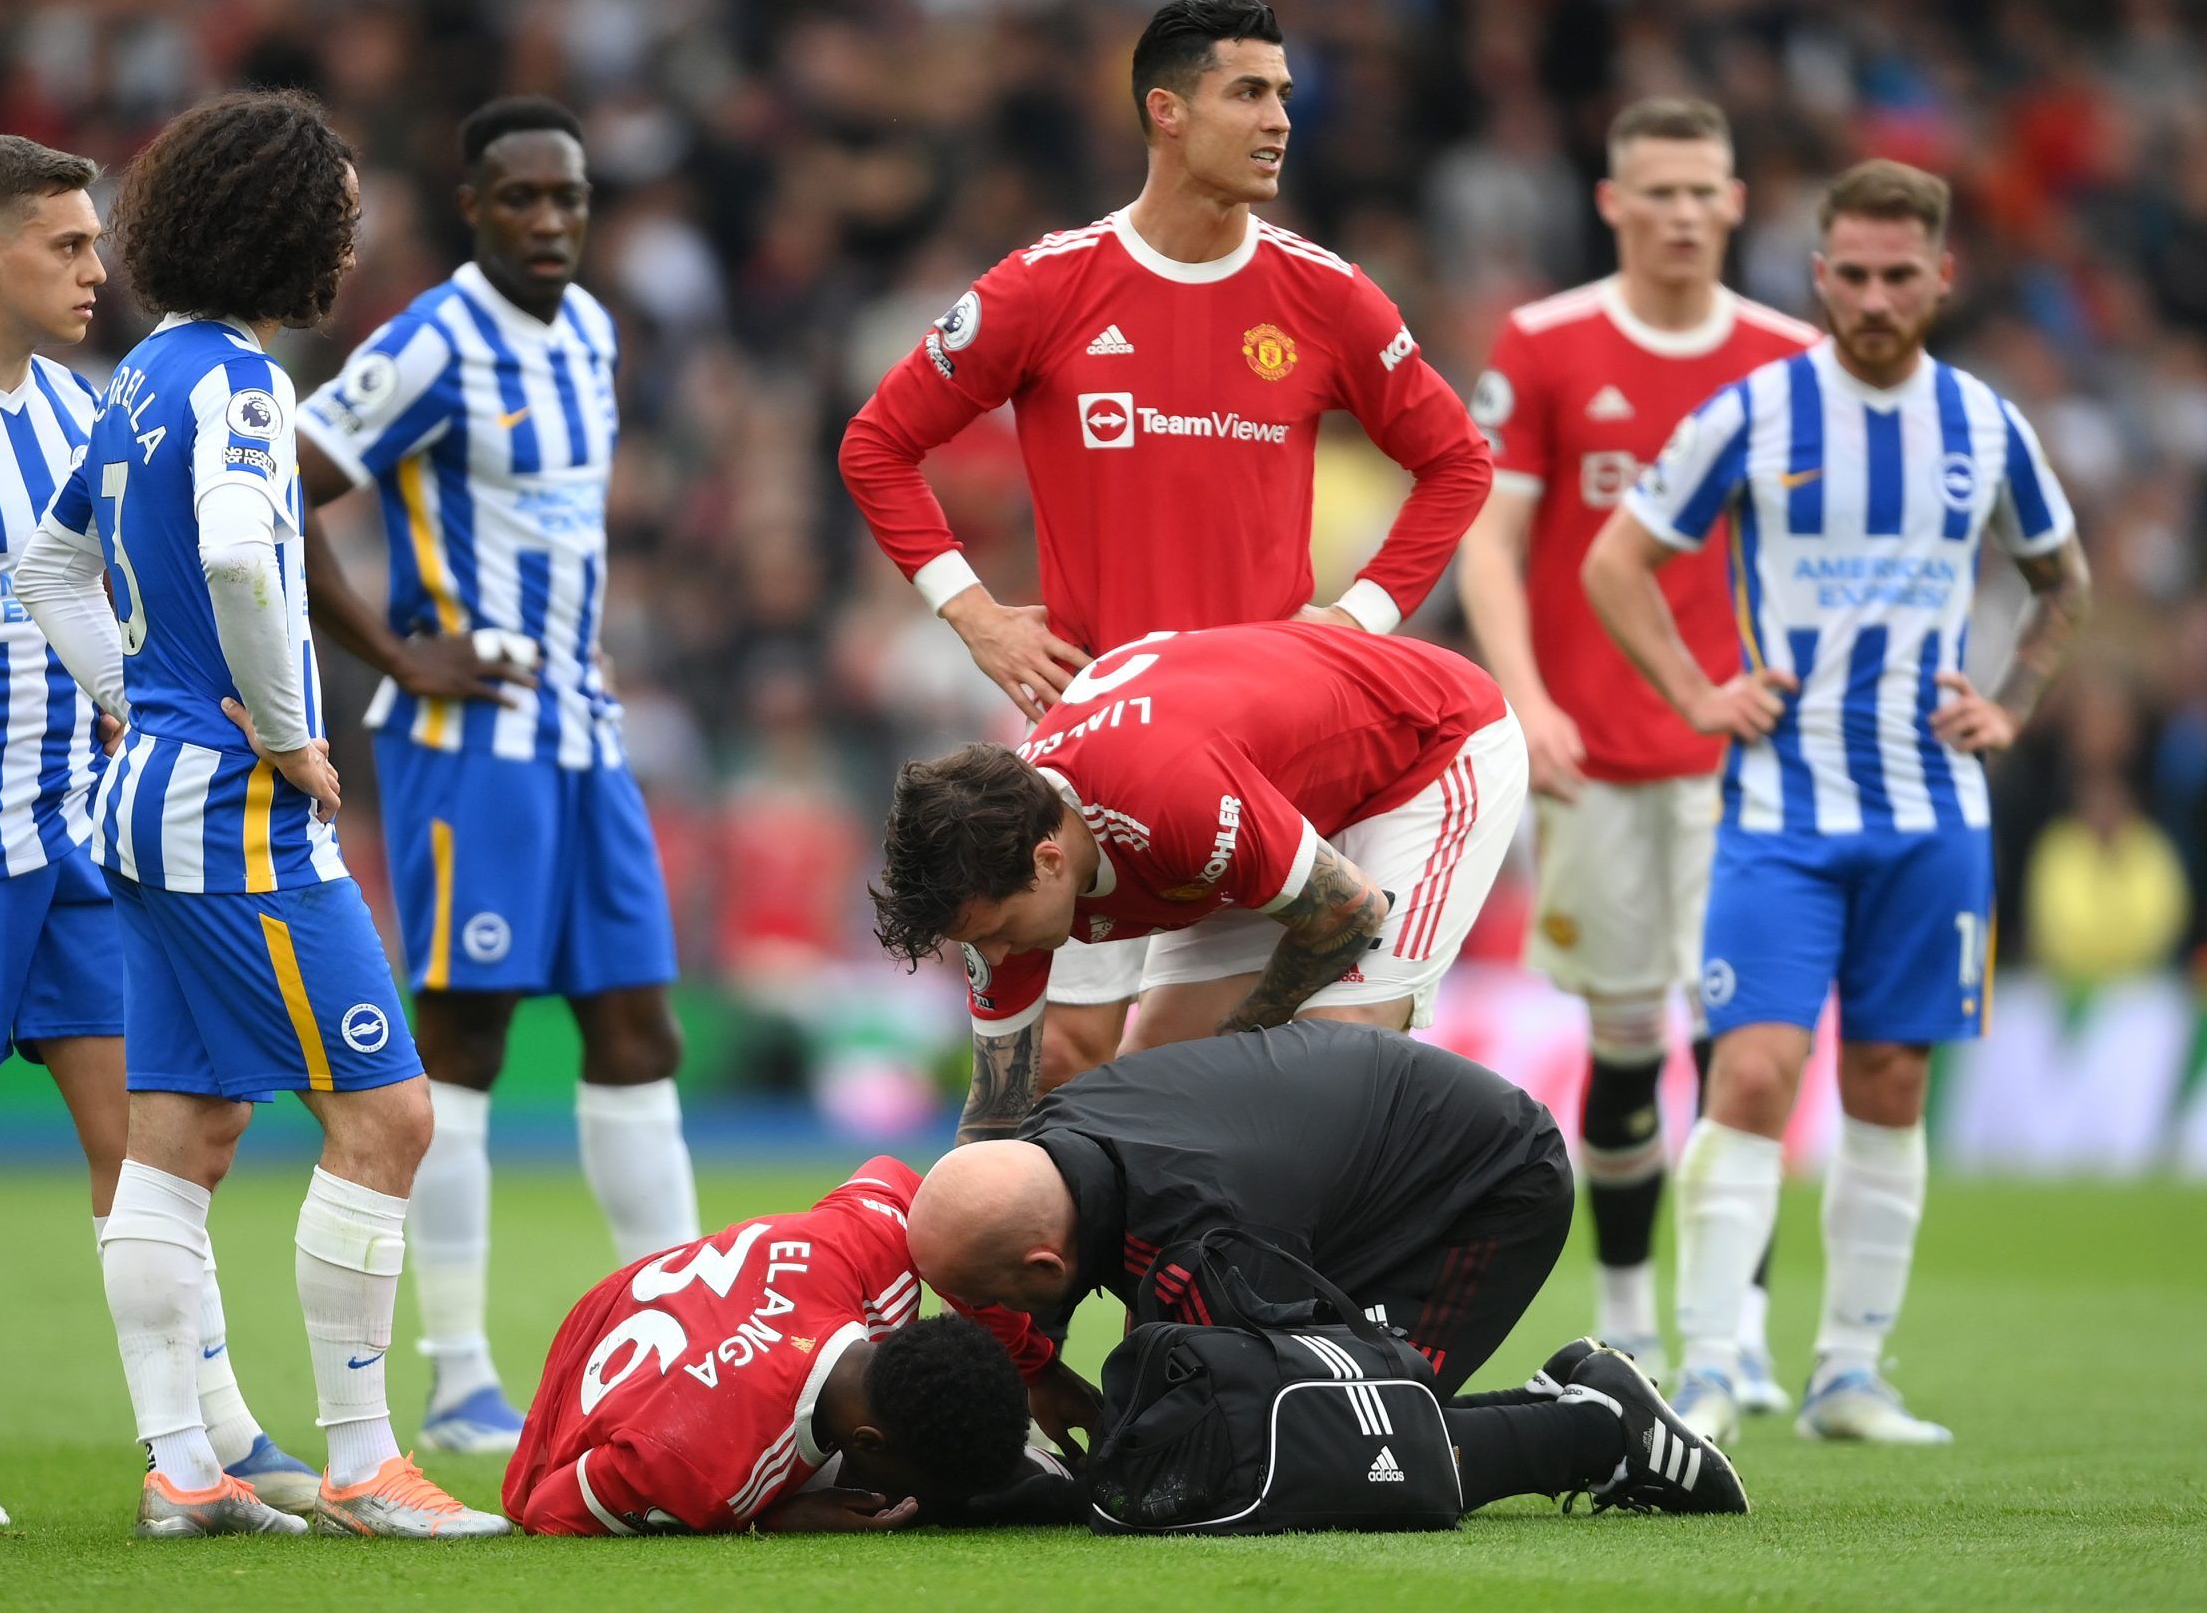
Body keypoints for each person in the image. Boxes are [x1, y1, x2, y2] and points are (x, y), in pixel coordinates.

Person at [840, 0, 1492, 1089]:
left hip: (1255, 760)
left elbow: (1458, 461)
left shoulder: (1324, 296)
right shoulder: (1046, 286)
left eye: (1284, 93)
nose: (1280, 118)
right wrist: (976, 615)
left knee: (1183, 1079)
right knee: (1066, 1059)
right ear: (1167, 112)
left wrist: (1355, 621)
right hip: (1094, 744)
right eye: (1249, 92)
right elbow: (877, 445)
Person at [0, 135, 312, 1528]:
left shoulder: (86, 409)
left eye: (95, 244)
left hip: (81, 832)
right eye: (69, 246)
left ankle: (210, 1444)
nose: (100, 270)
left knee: (143, 1136)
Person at [14, 91, 503, 1538]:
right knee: (390, 1115)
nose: (347, 239)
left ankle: (182, 1470)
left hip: (138, 797)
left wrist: (133, 695)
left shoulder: (140, 373)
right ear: (285, 229)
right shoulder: (236, 382)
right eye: (337, 215)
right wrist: (288, 738)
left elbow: (53, 572)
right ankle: (364, 1465)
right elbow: (239, 552)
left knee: (182, 1129)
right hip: (229, 812)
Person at [1584, 159, 2090, 1444]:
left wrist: (2013, 702)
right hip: (1780, 809)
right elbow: (1616, 560)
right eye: (1851, 274)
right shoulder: (1754, 414)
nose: (1872, 297)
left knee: (1888, 1077)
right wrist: (1700, 696)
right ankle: (1709, 1364)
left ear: (1940, 278)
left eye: (1897, 275)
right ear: (1818, 276)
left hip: (1933, 812)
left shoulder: (1984, 426)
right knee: (1751, 1068)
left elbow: (2061, 581)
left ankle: (1850, 1373)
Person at [293, 95, 696, 1456]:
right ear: (473, 207)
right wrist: (401, 659)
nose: (549, 222)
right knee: (465, 1041)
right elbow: (276, 484)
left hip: (584, 729)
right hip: (471, 745)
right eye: (520, 198)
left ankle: (690, 1338)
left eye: (568, 199)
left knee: (641, 1027)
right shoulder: (429, 343)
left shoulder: (590, 331)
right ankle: (461, 1372)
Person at [1456, 96, 1818, 1394]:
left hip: (1746, 759)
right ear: (1613, 203)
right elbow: (1490, 538)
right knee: (1624, 1039)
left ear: (1734, 202)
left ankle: (1742, 1334)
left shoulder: (1788, 357)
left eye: (1701, 190)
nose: (1680, 212)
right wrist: (1526, 695)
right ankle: (1629, 1317)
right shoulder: (1548, 344)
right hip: (1595, 754)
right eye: (1654, 190)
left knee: (1748, 1045)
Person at [905, 1022, 1747, 1518]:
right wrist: (1042, 1371)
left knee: (1342, 1444)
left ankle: (1603, 1434)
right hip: (1350, 1183)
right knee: (1316, 1417)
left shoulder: (1206, 1238)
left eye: (992, 1301)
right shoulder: (1059, 1137)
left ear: (1048, 1261)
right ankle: (1565, 1396)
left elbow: (1227, 1419)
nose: (990, 1318)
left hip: (1486, 1185)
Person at [869, 621, 1526, 1142]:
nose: (1001, 956)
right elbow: (997, 1109)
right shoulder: (995, 870)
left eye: (1003, 933)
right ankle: (1170, 1311)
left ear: (1049, 863)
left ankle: (1326, 1303)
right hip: (1268, 801)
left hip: (1433, 751)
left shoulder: (1169, 804)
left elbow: (1350, 913)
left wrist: (1246, 1033)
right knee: (1146, 1098)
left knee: (1334, 1052)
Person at [501, 1157, 1076, 1535]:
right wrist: (764, 1517)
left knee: (998, 1474)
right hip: (602, 1412)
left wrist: (1037, 1368)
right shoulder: (699, 1471)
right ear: (867, 1444)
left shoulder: (877, 1251)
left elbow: (907, 1184)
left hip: (693, 1317)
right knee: (975, 1502)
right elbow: (544, 1508)